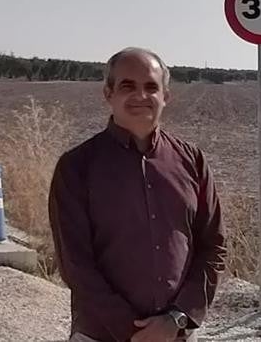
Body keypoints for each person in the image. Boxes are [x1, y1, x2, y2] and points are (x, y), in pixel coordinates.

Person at [49, 47, 226, 342]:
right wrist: (134, 332)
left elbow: (213, 246)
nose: (140, 96)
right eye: (127, 86)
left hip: (176, 334)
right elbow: (75, 263)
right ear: (108, 93)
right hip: (101, 335)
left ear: (166, 96)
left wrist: (177, 317)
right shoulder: (77, 166)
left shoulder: (192, 160)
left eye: (151, 87)